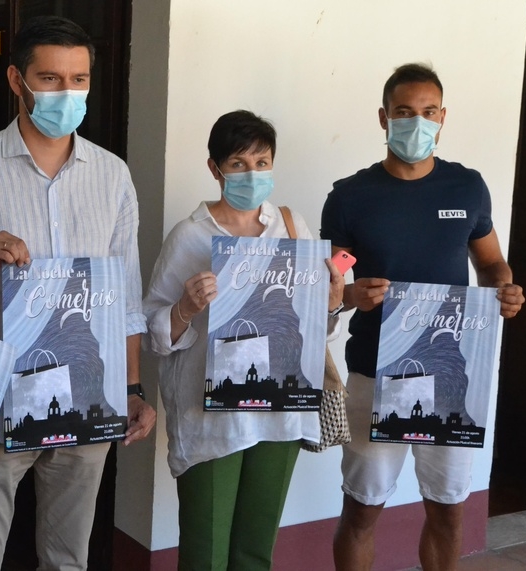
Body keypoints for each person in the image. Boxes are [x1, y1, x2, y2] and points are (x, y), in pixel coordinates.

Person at [0, 16, 156, 571]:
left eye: (79, 79)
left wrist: (131, 388)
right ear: (16, 80)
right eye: (49, 78)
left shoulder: (113, 176)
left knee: (68, 558)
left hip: (85, 395)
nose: (66, 93)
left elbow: (124, 296)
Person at [320, 63, 526, 571]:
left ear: (443, 117)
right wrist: (352, 295)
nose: (417, 122)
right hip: (375, 370)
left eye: (428, 112)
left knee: (448, 510)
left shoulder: (466, 188)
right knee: (362, 509)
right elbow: (331, 283)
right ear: (384, 118)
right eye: (405, 112)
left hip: (450, 374)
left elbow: (491, 263)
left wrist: (503, 288)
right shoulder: (350, 197)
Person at [142, 110, 345, 570]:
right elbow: (154, 332)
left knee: (255, 550)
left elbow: (313, 330)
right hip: (212, 421)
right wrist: (185, 308)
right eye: (238, 163)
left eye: (261, 162)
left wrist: (331, 304)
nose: (252, 174)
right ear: (215, 169)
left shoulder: (291, 227)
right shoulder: (190, 236)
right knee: (206, 554)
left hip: (281, 415)